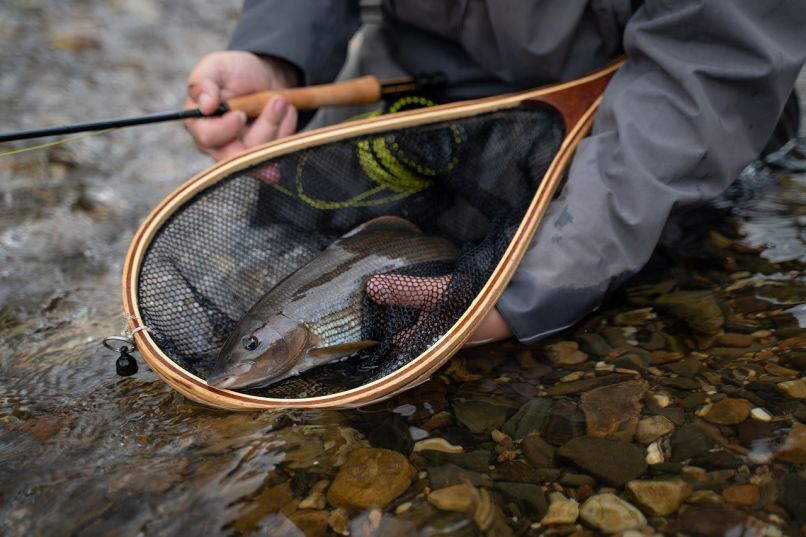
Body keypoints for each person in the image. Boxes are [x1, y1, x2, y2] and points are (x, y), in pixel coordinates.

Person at [184, 1, 806, 347]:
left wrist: (530, 293)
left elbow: (707, 68)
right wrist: (277, 56)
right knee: (283, 219)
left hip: (651, 122)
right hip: (421, 85)